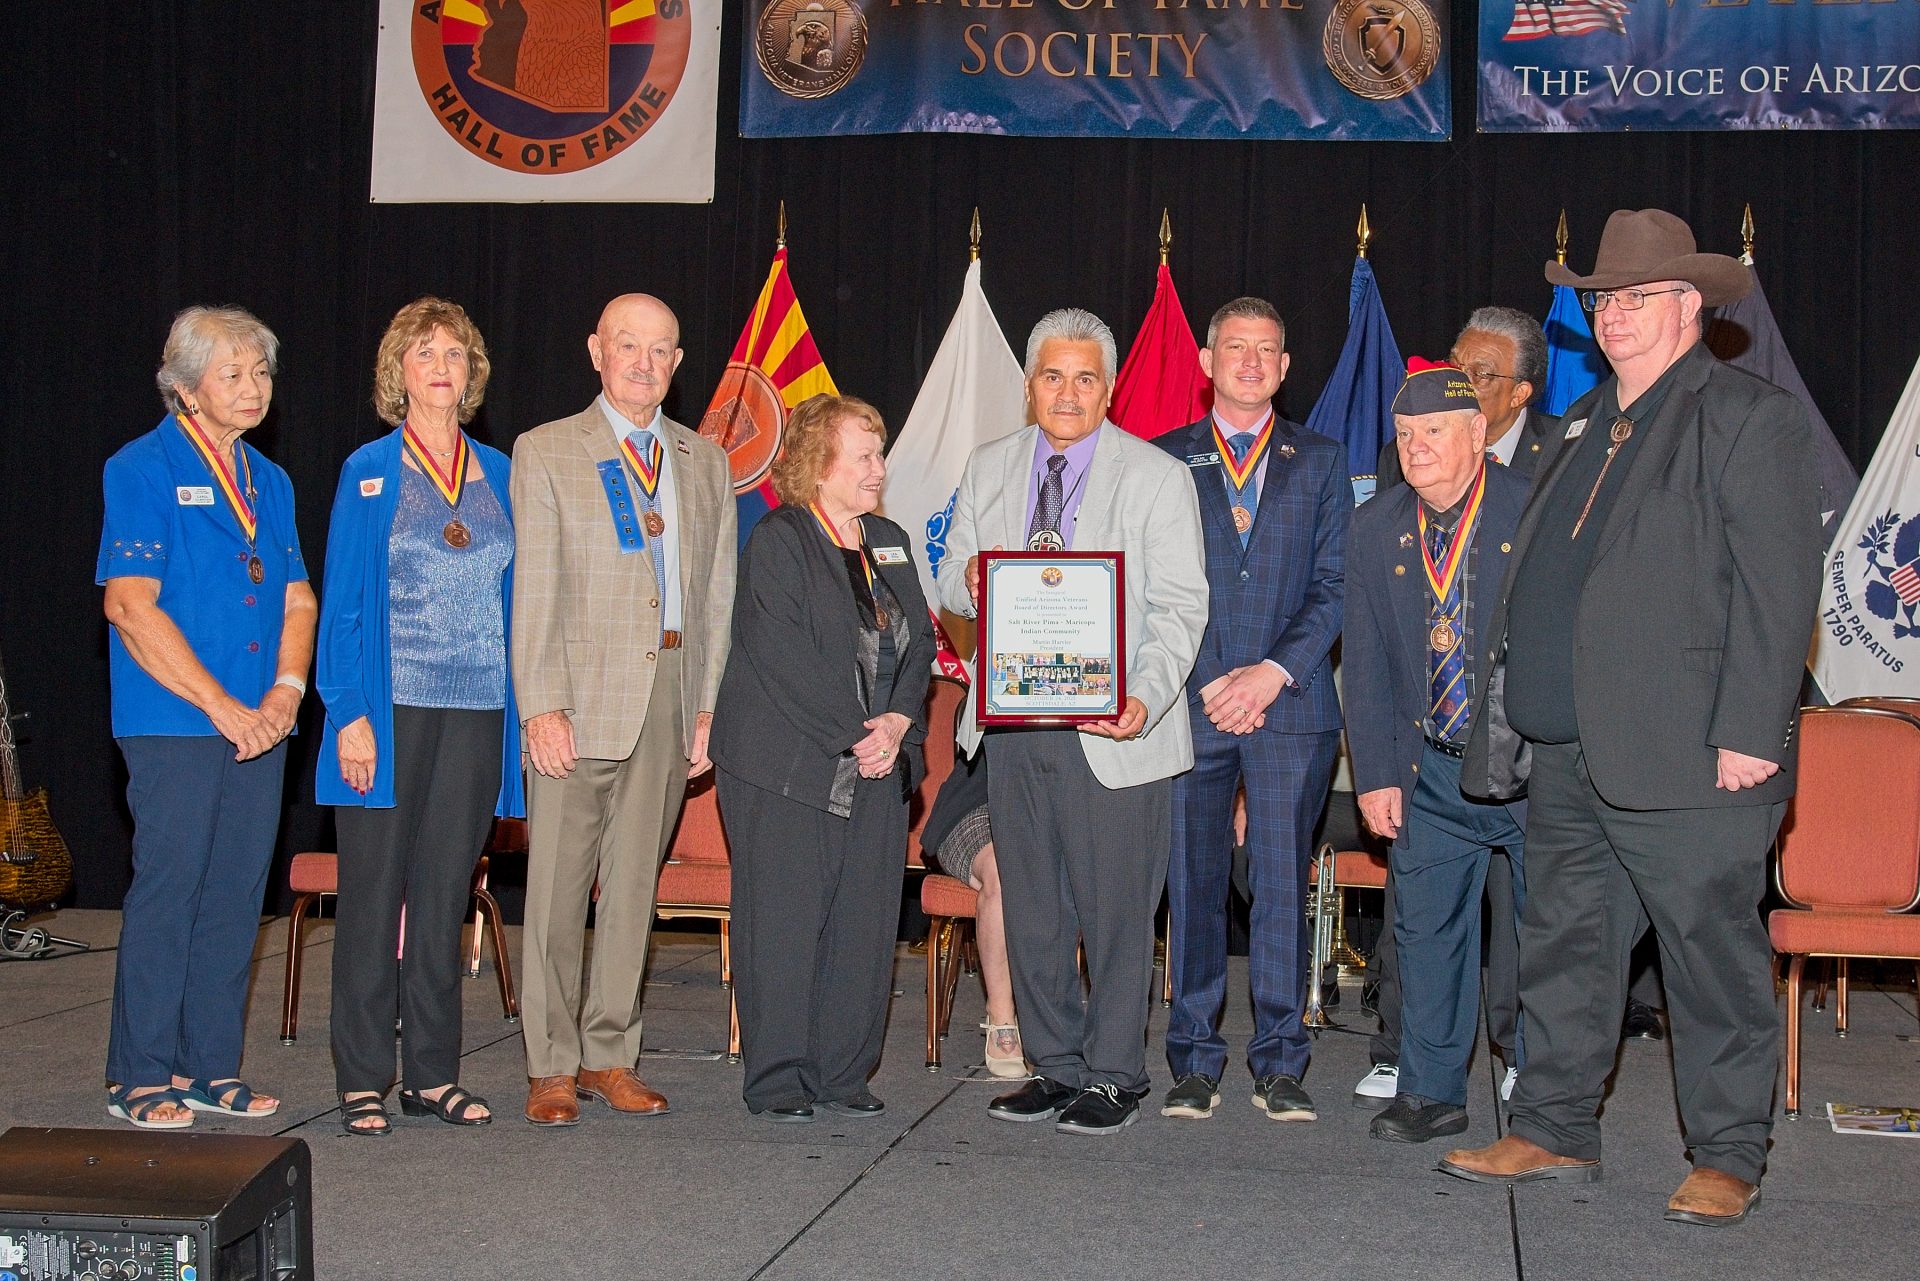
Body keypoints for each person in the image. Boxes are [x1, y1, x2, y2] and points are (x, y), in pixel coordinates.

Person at [1445, 209, 1823, 1227]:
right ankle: (1556, 1124)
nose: (1614, 314)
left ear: (1689, 306)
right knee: (1565, 945)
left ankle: (1730, 1154)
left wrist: (1754, 728)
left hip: (1696, 750)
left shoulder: (1747, 415)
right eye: (1604, 297)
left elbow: (1780, 589)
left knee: (1710, 959)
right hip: (1571, 748)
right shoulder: (1580, 419)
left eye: (1637, 296)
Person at [937, 308, 1207, 1136]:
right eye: (1052, 375)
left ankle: (1116, 1073)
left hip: (1115, 727)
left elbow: (1182, 607)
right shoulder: (988, 467)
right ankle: (1055, 1066)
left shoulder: (1158, 476)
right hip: (1016, 725)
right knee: (1036, 904)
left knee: (1119, 907)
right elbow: (950, 579)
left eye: (1085, 377)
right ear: (1028, 384)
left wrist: (1145, 696)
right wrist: (972, 588)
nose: (1068, 392)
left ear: (1110, 386)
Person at [511, 293, 736, 1126]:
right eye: (628, 346)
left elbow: (719, 595)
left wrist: (708, 705)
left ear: (679, 363)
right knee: (558, 895)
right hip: (579, 699)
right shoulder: (547, 449)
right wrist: (541, 704)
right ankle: (550, 1063)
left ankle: (611, 1053)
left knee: (635, 889)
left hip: (673, 697)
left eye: (661, 349)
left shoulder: (705, 460)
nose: (644, 363)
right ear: (596, 351)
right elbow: (533, 589)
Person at [98, 306, 315, 1129]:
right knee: (173, 886)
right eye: (233, 373)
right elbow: (129, 606)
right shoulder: (141, 468)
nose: (254, 387)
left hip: (262, 722)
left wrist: (286, 694)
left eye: (261, 371)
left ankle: (206, 1064)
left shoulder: (271, 478)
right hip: (177, 721)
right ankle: (140, 1072)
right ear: (186, 387)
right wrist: (223, 706)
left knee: (234, 893)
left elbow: (298, 594)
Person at [315, 297, 522, 1136]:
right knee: (372, 897)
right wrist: (349, 713)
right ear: (396, 371)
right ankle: (363, 1074)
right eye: (424, 352)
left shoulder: (505, 473)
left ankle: (432, 1074)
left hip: (479, 710)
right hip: (388, 713)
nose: (442, 365)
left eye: (456, 353)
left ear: (473, 373)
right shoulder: (368, 469)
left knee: (444, 895)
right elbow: (342, 607)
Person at [1152, 298, 1348, 1123]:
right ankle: (1194, 1058)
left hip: (1290, 705)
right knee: (1193, 886)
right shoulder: (1163, 460)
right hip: (1191, 704)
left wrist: (1269, 673)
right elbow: (1157, 587)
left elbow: (1336, 586)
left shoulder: (1323, 459)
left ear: (1286, 365)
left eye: (1268, 349)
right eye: (1236, 347)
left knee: (1278, 884)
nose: (1252, 361)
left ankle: (1279, 1058)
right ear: (1206, 360)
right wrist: (1205, 678)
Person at [712, 395, 935, 1120]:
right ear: (820, 463)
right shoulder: (779, 538)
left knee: (865, 921)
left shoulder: (890, 538)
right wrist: (858, 734)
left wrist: (899, 719)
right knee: (783, 918)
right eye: (864, 455)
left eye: (879, 452)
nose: (880, 468)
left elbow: (921, 643)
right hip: (788, 764)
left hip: (878, 759)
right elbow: (782, 659)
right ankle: (778, 1077)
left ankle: (843, 1073)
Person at [1360, 305, 1554, 1105]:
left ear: (1479, 435)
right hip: (1428, 765)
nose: (1417, 449)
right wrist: (1375, 773)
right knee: (1428, 935)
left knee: (1545, 938)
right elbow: (1365, 659)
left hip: (1529, 763)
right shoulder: (1375, 525)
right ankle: (1431, 1093)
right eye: (1407, 435)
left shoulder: (1535, 505)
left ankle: (1546, 1095)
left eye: (1435, 432)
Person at [918, 737, 1024, 1078]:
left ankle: (1055, 1020)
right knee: (1001, 871)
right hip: (978, 803)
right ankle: (1002, 1016)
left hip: (1058, 802)